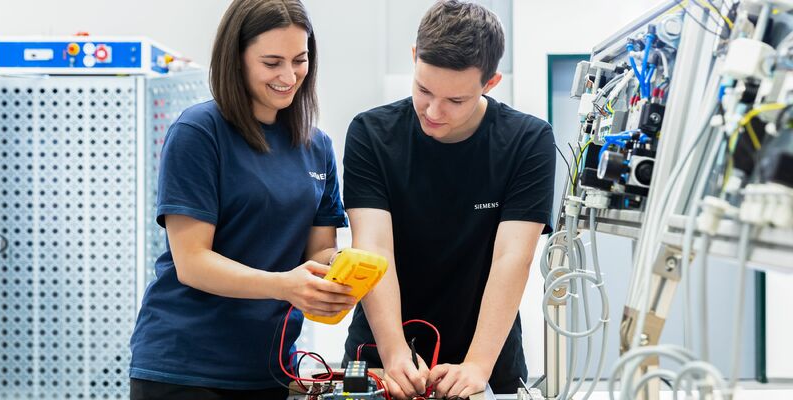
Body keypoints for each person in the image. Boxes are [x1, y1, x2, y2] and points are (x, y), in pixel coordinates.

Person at [129, 1, 355, 399]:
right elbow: (192, 263)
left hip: (269, 369)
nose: (289, 76)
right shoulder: (199, 133)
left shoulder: (317, 147)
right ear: (237, 58)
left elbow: (319, 253)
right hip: (185, 370)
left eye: (299, 60)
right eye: (272, 63)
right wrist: (284, 285)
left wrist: (342, 271)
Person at [341, 1, 556, 398]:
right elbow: (372, 249)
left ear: (490, 83)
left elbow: (513, 257)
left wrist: (477, 364)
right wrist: (393, 352)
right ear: (414, 57)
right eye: (423, 89)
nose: (434, 111)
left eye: (455, 101)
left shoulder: (528, 142)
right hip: (382, 356)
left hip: (486, 361)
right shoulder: (371, 134)